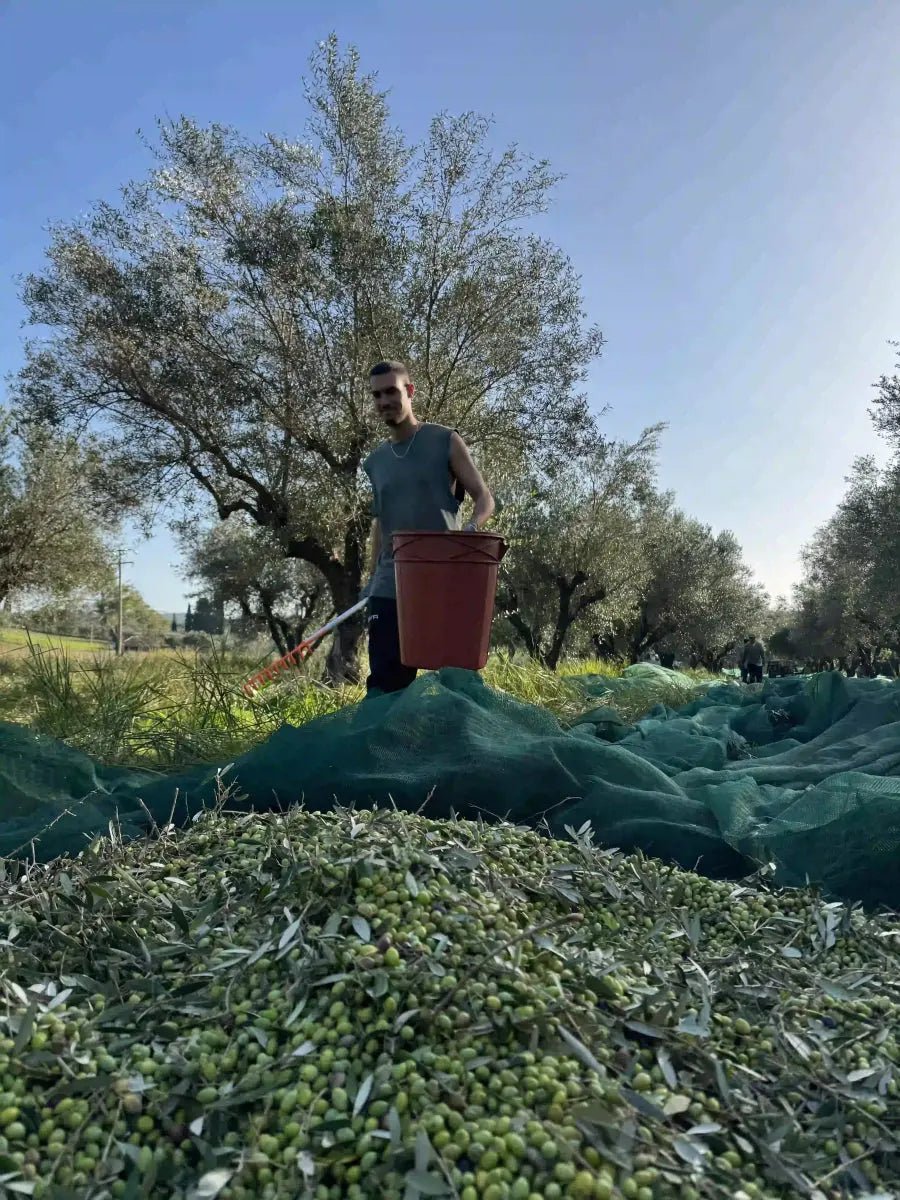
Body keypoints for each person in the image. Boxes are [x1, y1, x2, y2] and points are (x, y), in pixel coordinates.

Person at [362, 360, 495, 694]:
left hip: (443, 584)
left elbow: (484, 499)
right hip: (389, 587)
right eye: (377, 395)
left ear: (409, 391)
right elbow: (381, 523)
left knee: (457, 688)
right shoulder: (375, 462)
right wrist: (371, 580)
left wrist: (470, 529)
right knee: (385, 688)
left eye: (391, 391)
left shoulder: (445, 441)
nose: (384, 401)